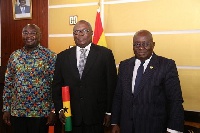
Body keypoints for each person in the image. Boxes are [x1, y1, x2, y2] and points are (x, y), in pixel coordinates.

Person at [111, 30, 184, 133]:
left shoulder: (166, 65)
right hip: (127, 127)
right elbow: (118, 96)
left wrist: (173, 129)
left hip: (154, 127)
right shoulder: (124, 65)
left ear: (153, 45)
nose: (141, 48)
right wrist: (114, 122)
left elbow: (175, 100)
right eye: (137, 44)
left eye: (146, 44)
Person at [52, 20, 117, 133]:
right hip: (71, 117)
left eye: (84, 31)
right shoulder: (62, 56)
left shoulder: (105, 54)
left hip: (96, 116)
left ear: (91, 33)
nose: (80, 34)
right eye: (76, 31)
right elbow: (57, 85)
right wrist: (60, 109)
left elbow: (111, 85)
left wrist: (109, 112)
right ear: (73, 35)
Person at [2, 24, 57, 133]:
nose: (29, 36)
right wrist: (6, 109)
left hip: (40, 113)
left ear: (39, 36)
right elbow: (8, 84)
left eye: (33, 33)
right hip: (17, 112)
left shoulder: (49, 56)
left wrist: (53, 110)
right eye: (25, 33)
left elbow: (55, 85)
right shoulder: (15, 56)